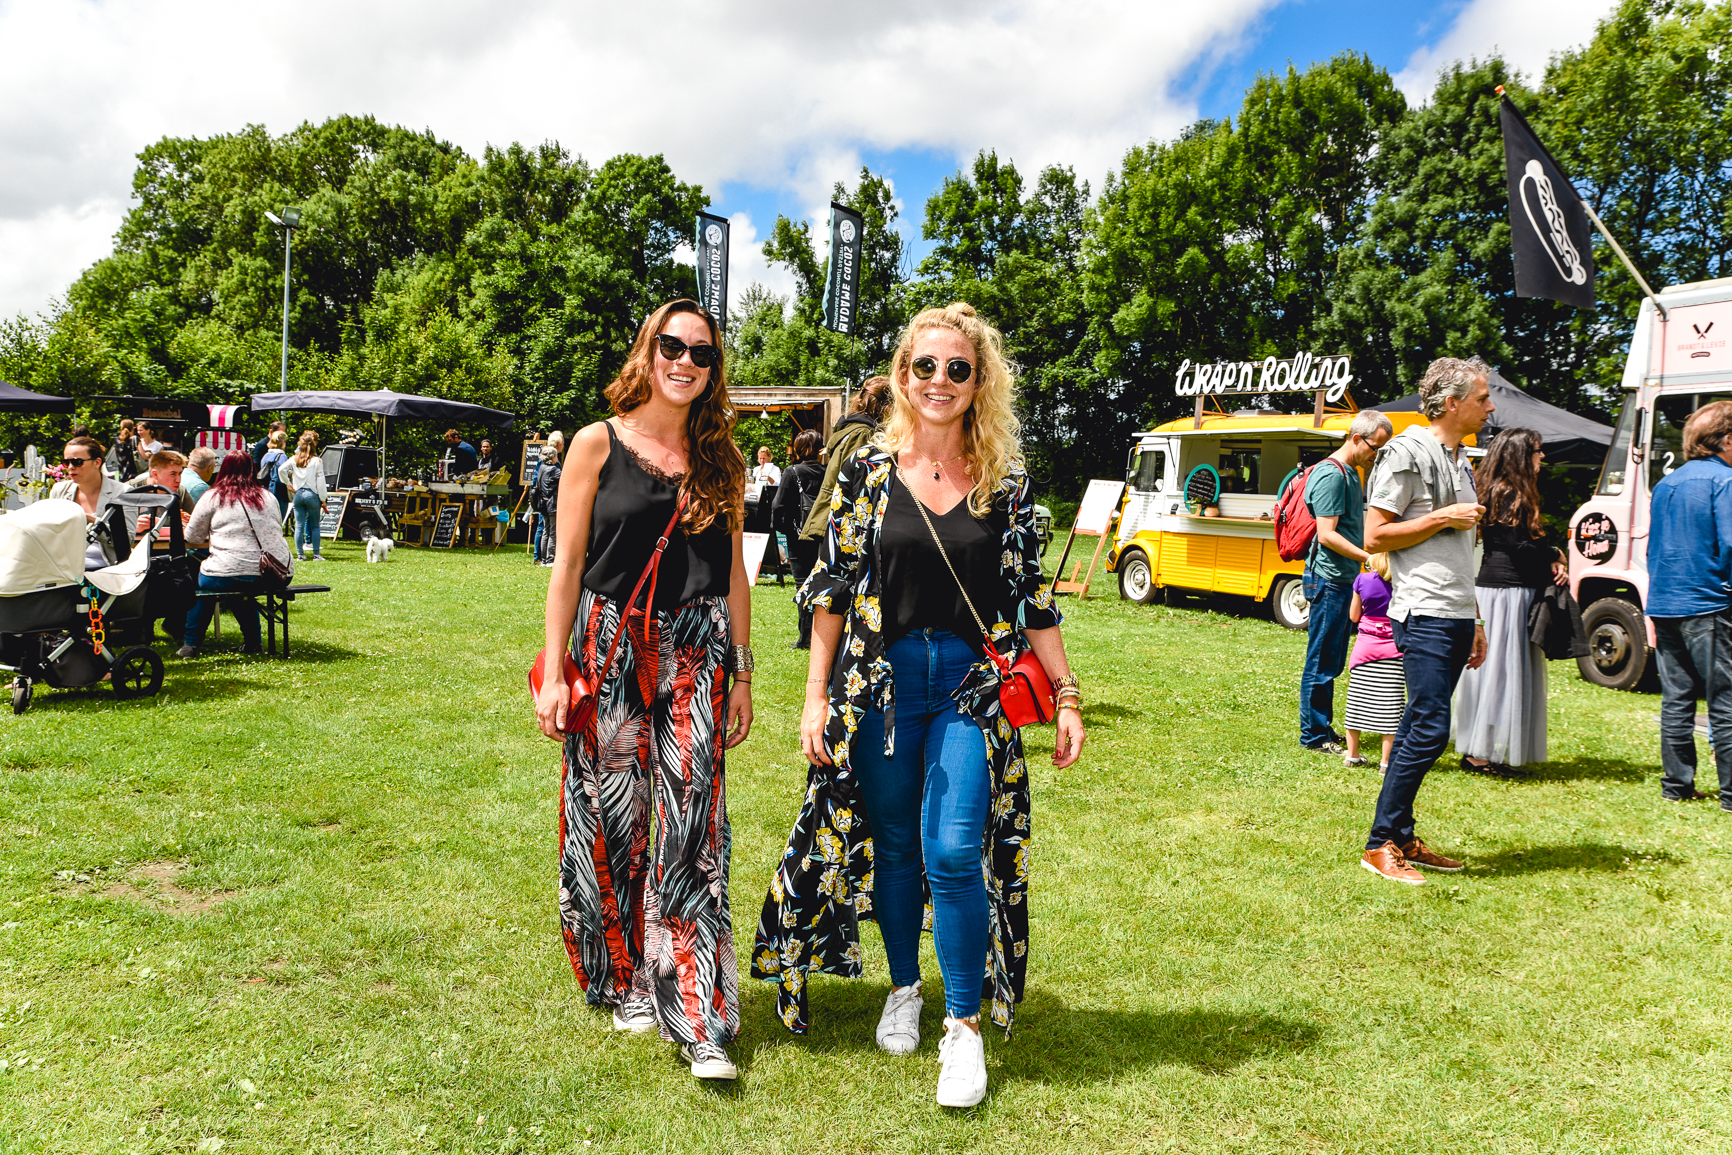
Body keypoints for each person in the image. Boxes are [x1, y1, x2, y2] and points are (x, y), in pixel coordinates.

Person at [754, 302, 1085, 1109]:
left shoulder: (1005, 481)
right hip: (882, 688)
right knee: (898, 841)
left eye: (958, 369)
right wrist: (813, 699)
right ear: (903, 376)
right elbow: (829, 595)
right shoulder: (867, 472)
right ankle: (904, 987)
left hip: (970, 687)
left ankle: (963, 1027)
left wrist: (1067, 694)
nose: (940, 381)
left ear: (979, 383)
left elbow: (1026, 595)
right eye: (925, 367)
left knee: (954, 844)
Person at [534, 299, 752, 1082]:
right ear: (648, 349)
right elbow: (565, 566)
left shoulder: (721, 460)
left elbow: (733, 576)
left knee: (691, 816)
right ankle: (625, 974)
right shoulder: (597, 443)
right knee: (613, 817)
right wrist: (554, 669)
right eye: (672, 345)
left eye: (702, 352)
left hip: (698, 648)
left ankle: (695, 1006)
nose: (686, 361)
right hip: (611, 641)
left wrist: (743, 673)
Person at [1359, 356, 1493, 885]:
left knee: (1422, 724)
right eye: (1482, 398)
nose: (1490, 405)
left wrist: (1475, 617)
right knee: (1430, 727)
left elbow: (1462, 551)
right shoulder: (1406, 451)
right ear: (1452, 402)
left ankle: (1402, 836)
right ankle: (1380, 843)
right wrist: (1442, 517)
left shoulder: (1460, 459)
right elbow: (1374, 537)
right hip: (1424, 611)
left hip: (1455, 611)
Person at [1452, 428, 1568, 775]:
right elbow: (1520, 546)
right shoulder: (1509, 493)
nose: (1542, 457)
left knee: (1497, 675)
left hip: (1502, 591)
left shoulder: (1498, 490)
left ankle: (1484, 751)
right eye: (1536, 451)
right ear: (1520, 455)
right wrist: (1554, 552)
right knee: (1500, 674)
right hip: (1506, 594)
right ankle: (1479, 755)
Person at [1647, 399, 1732, 808]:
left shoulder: (1666, 483)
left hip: (1666, 602)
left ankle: (1676, 786)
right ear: (1727, 440)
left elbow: (1656, 546)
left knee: (1677, 700)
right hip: (1709, 603)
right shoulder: (1725, 481)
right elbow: (1731, 543)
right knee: (1725, 700)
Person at [1298, 410, 1394, 754]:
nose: (1376, 455)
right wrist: (1368, 559)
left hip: (1344, 580)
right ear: (1356, 438)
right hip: (1329, 579)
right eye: (1375, 447)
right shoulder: (1332, 475)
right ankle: (1313, 736)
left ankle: (1322, 726)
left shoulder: (1352, 472)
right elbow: (1326, 535)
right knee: (1322, 660)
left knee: (1334, 659)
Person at [179, 451, 294, 658]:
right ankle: (253, 642)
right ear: (253, 471)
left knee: (208, 583)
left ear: (222, 470)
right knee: (242, 585)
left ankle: (190, 644)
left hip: (228, 573)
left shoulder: (212, 497)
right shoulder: (268, 497)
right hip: (275, 573)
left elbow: (193, 538)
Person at [800, 377, 894, 543]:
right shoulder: (862, 434)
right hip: (843, 526)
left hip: (838, 522)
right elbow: (856, 485)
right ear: (887, 408)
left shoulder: (852, 430)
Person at [1344, 552, 1405, 774]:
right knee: (1391, 706)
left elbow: (1353, 616)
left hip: (1365, 649)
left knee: (1357, 703)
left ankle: (1352, 756)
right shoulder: (1402, 583)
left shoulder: (1362, 580)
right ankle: (1385, 763)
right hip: (1394, 650)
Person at [773, 429, 825, 648]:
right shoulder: (828, 471)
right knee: (823, 586)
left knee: (802, 585)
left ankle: (805, 638)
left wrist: (785, 531)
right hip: (824, 536)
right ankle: (822, 635)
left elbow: (778, 506)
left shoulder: (792, 472)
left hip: (799, 537)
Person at [51, 436, 128, 569]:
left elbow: (126, 541)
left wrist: (93, 521)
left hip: (106, 568)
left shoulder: (122, 492)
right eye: (66, 462)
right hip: (64, 567)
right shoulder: (60, 490)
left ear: (97, 463)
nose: (70, 467)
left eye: (77, 462)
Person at [279, 431, 330, 562]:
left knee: (299, 526)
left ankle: (300, 554)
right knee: (315, 526)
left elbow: (281, 469)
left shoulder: (294, 459)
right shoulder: (317, 461)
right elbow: (321, 481)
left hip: (298, 494)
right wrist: (323, 499)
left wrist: (288, 484)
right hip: (312, 494)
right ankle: (316, 554)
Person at [530, 444, 562, 566]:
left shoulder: (542, 468)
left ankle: (543, 559)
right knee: (553, 532)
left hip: (542, 503)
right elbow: (566, 479)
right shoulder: (555, 470)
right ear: (553, 457)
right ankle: (550, 559)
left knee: (545, 531)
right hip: (553, 504)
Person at [258, 431, 290, 518]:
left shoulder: (266, 456)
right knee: (279, 518)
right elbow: (284, 473)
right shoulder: (282, 457)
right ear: (283, 442)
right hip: (279, 492)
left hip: (266, 490)